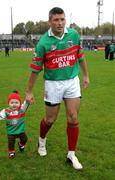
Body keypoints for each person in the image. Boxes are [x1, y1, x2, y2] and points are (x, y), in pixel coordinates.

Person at [25, 7, 89, 170]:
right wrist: (29, 91)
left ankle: (71, 154)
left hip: (72, 81)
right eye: (56, 20)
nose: (60, 23)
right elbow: (35, 69)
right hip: (53, 84)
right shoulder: (43, 43)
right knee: (50, 120)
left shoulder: (74, 35)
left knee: (73, 118)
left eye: (62, 19)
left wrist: (86, 76)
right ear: (50, 22)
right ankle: (41, 141)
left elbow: (80, 57)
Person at [0, 91, 29, 159]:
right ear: (9, 103)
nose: (14, 104)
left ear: (20, 103)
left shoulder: (22, 109)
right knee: (11, 143)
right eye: (12, 103)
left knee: (25, 139)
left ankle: (21, 144)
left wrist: (28, 99)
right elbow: (0, 116)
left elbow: (26, 103)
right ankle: (11, 152)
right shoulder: (6, 111)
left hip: (21, 130)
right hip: (11, 132)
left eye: (16, 103)